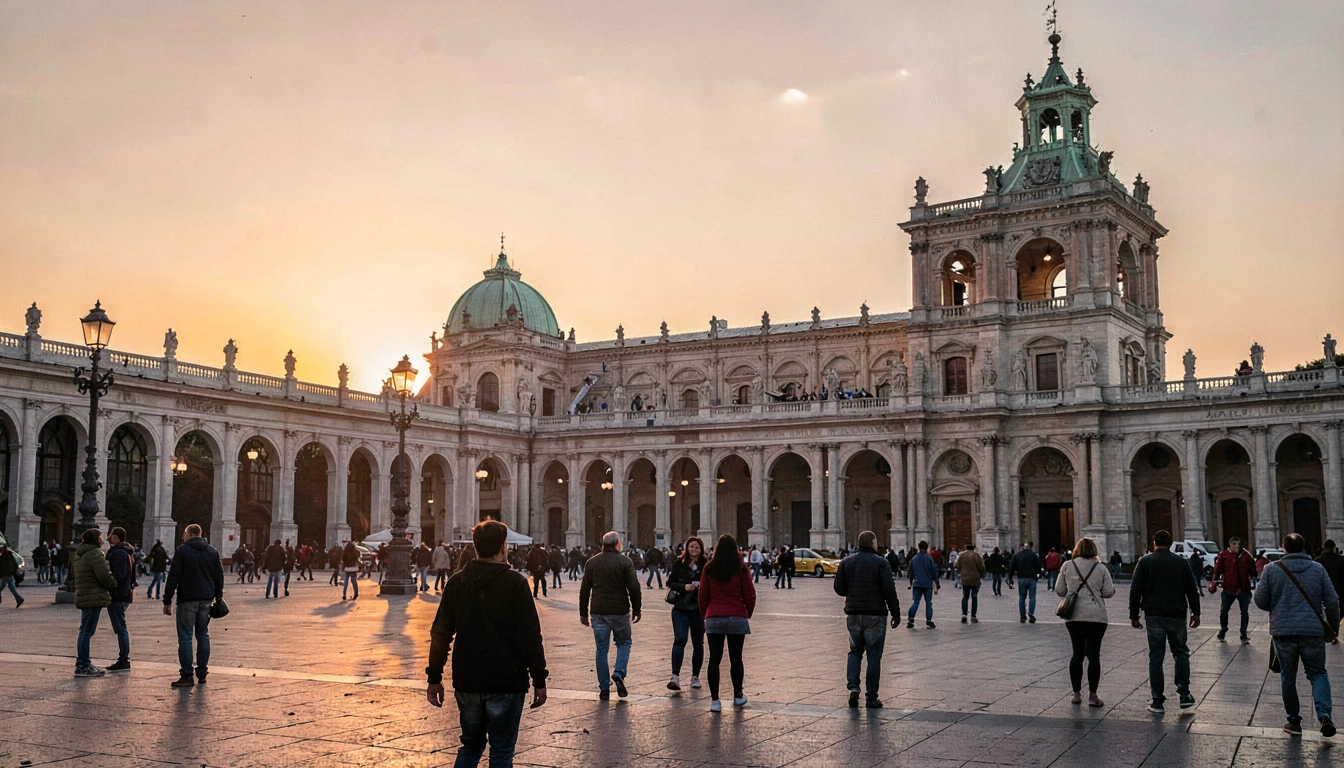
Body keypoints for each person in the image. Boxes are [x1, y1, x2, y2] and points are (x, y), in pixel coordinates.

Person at [426, 521, 548, 767]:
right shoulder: (515, 584)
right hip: (506, 680)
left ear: (475, 546)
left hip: (467, 679)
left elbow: (441, 633)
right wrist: (539, 679)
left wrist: (434, 677)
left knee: (470, 746)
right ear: (504, 547)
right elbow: (530, 637)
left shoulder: (457, 582)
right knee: (502, 750)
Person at [1256, 533, 1339, 737]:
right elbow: (1332, 600)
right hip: (1312, 630)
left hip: (1283, 631)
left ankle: (1293, 721)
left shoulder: (1271, 569)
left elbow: (1259, 599)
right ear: (1304, 549)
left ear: (1283, 548)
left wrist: (1276, 608)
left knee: (1288, 676)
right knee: (1318, 673)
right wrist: (1333, 627)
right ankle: (1324, 715)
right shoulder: (1318, 569)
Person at [1128, 529, 1201, 714]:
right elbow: (1191, 589)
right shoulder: (1181, 562)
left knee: (1156, 657)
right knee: (1181, 652)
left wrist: (1134, 615)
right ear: (1170, 544)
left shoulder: (1145, 562)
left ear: (1154, 543)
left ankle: (1158, 701)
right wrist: (1196, 613)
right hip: (1176, 614)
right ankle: (1184, 694)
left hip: (1153, 615)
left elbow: (1135, 590)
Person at [834, 531, 900, 708]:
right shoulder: (881, 563)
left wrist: (852, 591)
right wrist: (896, 612)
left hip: (854, 613)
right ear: (873, 543)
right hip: (875, 614)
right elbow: (889, 590)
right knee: (874, 656)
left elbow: (839, 588)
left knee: (855, 651)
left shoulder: (846, 561)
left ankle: (854, 688)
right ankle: (871, 697)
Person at [578, 531, 642, 699]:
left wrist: (583, 612)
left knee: (601, 650)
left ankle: (604, 688)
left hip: (598, 610)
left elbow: (585, 589)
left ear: (602, 544)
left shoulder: (592, 562)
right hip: (619, 610)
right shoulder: (625, 561)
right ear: (617, 544)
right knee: (624, 643)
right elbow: (634, 587)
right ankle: (619, 672)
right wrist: (637, 608)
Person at [1054, 537, 1115, 707]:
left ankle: (1076, 694)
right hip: (1097, 616)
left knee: (1077, 654)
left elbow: (1060, 591)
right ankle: (1093, 696)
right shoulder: (1101, 567)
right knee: (1093, 655)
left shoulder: (1067, 565)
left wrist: (1073, 589)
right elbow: (1109, 592)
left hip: (1074, 616)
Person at [163, 523, 225, 688]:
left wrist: (167, 600)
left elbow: (173, 576)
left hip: (187, 598)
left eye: (184, 534)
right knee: (203, 635)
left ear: (189, 534)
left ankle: (187, 675)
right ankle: (203, 673)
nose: (183, 537)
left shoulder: (182, 550)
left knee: (185, 636)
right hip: (206, 599)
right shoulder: (212, 551)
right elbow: (219, 576)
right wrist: (218, 596)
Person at [699, 534, 756, 712]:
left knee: (714, 659)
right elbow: (750, 594)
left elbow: (702, 595)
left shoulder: (709, 568)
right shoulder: (741, 568)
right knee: (736, 659)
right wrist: (747, 613)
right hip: (737, 616)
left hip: (714, 617)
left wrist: (704, 616)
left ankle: (715, 701)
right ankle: (738, 696)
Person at [72, 528, 116, 677]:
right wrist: (113, 583)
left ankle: (82, 663)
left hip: (85, 595)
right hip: (93, 595)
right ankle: (83, 665)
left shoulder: (80, 553)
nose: (102, 539)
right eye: (100, 536)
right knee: (87, 632)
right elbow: (104, 575)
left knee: (84, 631)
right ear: (95, 539)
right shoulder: (95, 554)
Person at [666, 536, 707, 691]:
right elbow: (670, 582)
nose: (694, 549)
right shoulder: (679, 562)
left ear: (701, 549)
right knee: (680, 638)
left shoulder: (706, 565)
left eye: (697, 547)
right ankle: (675, 676)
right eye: (691, 547)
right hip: (681, 607)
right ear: (687, 548)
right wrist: (685, 587)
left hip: (698, 608)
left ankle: (695, 677)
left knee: (698, 643)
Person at [1212, 536, 1256, 644]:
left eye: (1238, 544)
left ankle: (1243, 634)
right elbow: (1218, 569)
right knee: (1224, 610)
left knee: (1244, 612)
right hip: (1228, 588)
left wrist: (1250, 572)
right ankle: (1223, 630)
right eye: (1235, 545)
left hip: (1243, 589)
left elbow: (1253, 570)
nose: (1237, 547)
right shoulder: (1224, 555)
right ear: (1230, 545)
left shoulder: (1246, 555)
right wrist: (1214, 580)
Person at [104, 527, 136, 673]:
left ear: (116, 537)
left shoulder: (118, 554)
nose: (109, 538)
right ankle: (123, 658)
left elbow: (120, 575)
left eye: (111, 535)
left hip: (117, 595)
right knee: (121, 627)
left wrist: (109, 584)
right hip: (124, 593)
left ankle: (124, 659)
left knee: (121, 627)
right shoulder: (127, 552)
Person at [905, 540, 939, 629]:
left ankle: (911, 619)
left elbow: (910, 572)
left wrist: (910, 582)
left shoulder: (914, 558)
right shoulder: (929, 558)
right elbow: (934, 571)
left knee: (916, 602)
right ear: (927, 548)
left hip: (917, 582)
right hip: (927, 583)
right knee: (928, 603)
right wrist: (937, 583)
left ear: (919, 548)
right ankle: (929, 620)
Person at [1010, 542, 1044, 623]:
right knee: (1032, 597)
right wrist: (1039, 574)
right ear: (1030, 548)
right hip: (1032, 578)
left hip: (1021, 578)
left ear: (1024, 548)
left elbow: (1012, 566)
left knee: (1022, 597)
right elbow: (1039, 566)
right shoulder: (1033, 555)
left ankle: (1022, 616)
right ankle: (1031, 613)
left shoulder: (1018, 555)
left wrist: (1010, 578)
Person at [1316, 540, 1344, 635]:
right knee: (1338, 610)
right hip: (1339, 589)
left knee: (1324, 612)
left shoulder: (1318, 561)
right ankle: (1335, 628)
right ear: (1333, 548)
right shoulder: (1341, 559)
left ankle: (1328, 629)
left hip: (1323, 590)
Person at [955, 543, 986, 623]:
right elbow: (981, 566)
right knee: (974, 596)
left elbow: (957, 565)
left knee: (965, 596)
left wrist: (960, 573)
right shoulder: (976, 555)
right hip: (975, 578)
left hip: (965, 578)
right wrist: (982, 574)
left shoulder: (961, 555)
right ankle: (973, 615)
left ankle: (964, 614)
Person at [0, 539, 24, 608]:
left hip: (5, 574)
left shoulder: (3, 555)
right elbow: (14, 563)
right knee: (11, 586)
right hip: (9, 573)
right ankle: (18, 598)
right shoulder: (9, 553)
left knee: (1, 587)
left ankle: (18, 598)